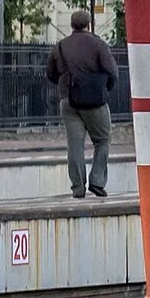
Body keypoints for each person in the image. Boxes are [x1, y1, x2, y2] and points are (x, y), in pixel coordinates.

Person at [45, 10, 119, 199]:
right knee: (102, 140)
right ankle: (97, 181)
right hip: (94, 100)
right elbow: (112, 72)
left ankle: (78, 187)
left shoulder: (60, 47)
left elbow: (50, 73)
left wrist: (65, 87)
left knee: (75, 145)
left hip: (68, 101)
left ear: (72, 25)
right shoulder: (98, 45)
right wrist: (104, 89)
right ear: (89, 25)